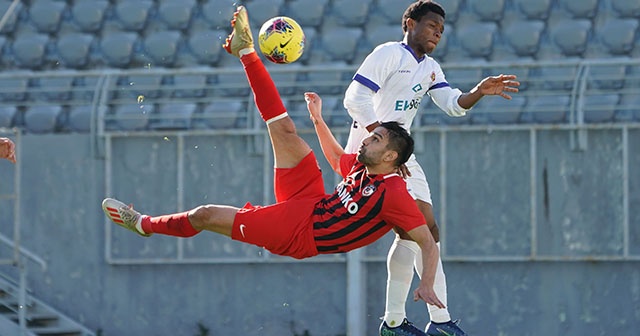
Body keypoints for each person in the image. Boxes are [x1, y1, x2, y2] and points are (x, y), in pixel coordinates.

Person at [101, 5, 446, 312]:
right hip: (311, 202)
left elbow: (428, 243)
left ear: (390, 156)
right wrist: (317, 119)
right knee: (285, 131)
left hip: (299, 233)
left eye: (374, 137)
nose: (365, 137)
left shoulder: (395, 193)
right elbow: (334, 156)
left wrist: (426, 283)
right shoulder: (363, 166)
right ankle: (246, 51)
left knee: (205, 215)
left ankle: (143, 224)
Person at [342, 1, 520, 335]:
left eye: (440, 29)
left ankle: (407, 322)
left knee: (426, 232)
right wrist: (384, 143)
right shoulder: (389, 54)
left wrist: (478, 93)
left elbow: (453, 104)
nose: (436, 33)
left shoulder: (430, 68)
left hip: (400, 157)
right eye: (430, 25)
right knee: (416, 232)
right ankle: (418, 323)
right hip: (373, 155)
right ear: (409, 23)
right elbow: (354, 99)